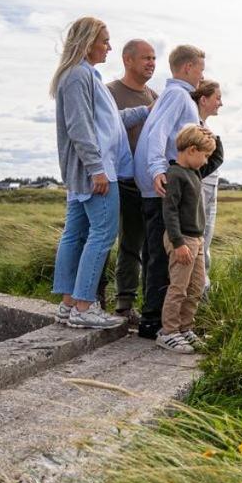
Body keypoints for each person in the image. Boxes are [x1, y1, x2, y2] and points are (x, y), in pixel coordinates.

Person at [50, 18, 150, 328]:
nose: (108, 46)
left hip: (85, 172)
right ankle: (84, 307)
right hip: (96, 171)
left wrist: (146, 110)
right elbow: (80, 128)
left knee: (75, 234)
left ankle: (69, 304)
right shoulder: (80, 76)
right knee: (103, 234)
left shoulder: (83, 75)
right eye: (104, 41)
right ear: (88, 41)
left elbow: (110, 121)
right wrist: (97, 169)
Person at [134, 44, 205, 340]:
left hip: (158, 183)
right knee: (164, 258)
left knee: (155, 253)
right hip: (162, 185)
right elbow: (158, 133)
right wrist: (156, 170)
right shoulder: (178, 95)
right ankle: (158, 323)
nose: (203, 74)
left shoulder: (174, 95)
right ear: (187, 67)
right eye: (200, 68)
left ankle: (158, 320)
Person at [97, 39, 157, 326]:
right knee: (112, 242)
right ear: (127, 60)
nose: (151, 63)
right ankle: (109, 303)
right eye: (146, 58)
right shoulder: (110, 92)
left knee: (145, 245)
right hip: (115, 180)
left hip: (145, 182)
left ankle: (138, 305)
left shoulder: (154, 96)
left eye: (154, 58)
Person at [158, 124, 216, 354]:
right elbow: (169, 212)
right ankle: (168, 332)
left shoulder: (194, 172)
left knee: (196, 287)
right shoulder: (176, 175)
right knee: (179, 288)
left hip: (197, 240)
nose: (206, 161)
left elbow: (216, 156)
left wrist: (211, 136)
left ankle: (185, 327)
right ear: (191, 150)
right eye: (204, 155)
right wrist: (178, 243)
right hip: (181, 240)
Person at [192, 79, 224, 296]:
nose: (221, 103)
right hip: (202, 188)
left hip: (209, 188)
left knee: (205, 245)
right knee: (200, 243)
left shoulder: (204, 127)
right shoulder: (195, 128)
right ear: (203, 100)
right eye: (218, 98)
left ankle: (201, 296)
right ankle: (198, 298)